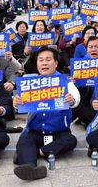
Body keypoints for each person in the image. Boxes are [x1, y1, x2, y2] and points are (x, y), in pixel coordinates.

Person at [12, 47, 80, 181]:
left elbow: (76, 99)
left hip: (58, 132)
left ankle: (35, 153)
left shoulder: (65, 81)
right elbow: (19, 103)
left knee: (71, 141)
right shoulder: (29, 83)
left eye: (48, 60)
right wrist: (15, 101)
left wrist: (71, 100)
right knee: (25, 140)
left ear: (55, 63)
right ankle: (30, 167)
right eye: (40, 60)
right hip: (36, 131)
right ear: (36, 64)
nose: (44, 63)